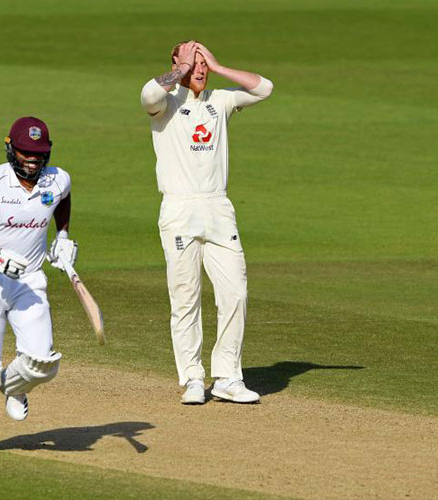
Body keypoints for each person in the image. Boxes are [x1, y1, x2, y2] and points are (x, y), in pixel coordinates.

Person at [140, 41, 273, 405]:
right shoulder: (165, 104)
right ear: (175, 63)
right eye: (192, 62)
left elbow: (263, 88)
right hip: (180, 210)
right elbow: (148, 93)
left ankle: (228, 376)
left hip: (218, 208)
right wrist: (181, 71)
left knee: (235, 292)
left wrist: (219, 65)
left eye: (203, 63)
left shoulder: (221, 101)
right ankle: (193, 378)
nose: (199, 69)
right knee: (185, 299)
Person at [0, 116, 78, 453]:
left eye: (39, 153)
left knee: (42, 363)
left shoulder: (57, 179)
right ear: (11, 148)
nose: (32, 159)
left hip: (29, 280)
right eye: (25, 152)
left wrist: (63, 234)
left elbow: (62, 198)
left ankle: (13, 387)